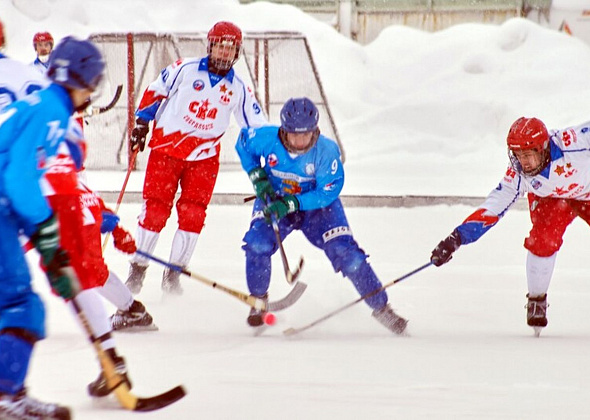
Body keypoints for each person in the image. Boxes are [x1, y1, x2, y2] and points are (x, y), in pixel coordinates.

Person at [235, 97, 408, 334]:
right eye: (293, 134)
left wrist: (294, 202)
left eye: (306, 134)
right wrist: (258, 177)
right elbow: (243, 143)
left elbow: (329, 191)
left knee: (347, 254)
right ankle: (258, 302)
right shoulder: (266, 138)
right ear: (283, 130)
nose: (299, 141)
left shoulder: (327, 152)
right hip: (275, 201)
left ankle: (382, 308)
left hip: (318, 209)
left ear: (315, 129)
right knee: (257, 244)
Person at [126, 21, 267, 296]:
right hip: (166, 151)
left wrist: (270, 156)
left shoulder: (238, 88)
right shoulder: (184, 68)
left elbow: (257, 126)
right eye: (221, 46)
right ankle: (138, 267)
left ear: (237, 52)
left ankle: (174, 272)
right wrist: (142, 123)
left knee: (193, 215)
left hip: (203, 159)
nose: (225, 53)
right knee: (155, 211)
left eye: (231, 48)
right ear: (210, 46)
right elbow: (156, 91)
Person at [430, 116, 590, 334]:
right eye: (516, 155)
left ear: (542, 148)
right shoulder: (518, 174)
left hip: (587, 194)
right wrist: (457, 237)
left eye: (527, 155)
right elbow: (494, 206)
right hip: (550, 200)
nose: (522, 162)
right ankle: (536, 299)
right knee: (543, 240)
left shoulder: (576, 144)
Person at [0, 27, 82, 420]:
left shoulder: (37, 102)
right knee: (21, 306)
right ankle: (7, 395)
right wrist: (47, 231)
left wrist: (47, 247)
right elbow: (18, 179)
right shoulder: (49, 107)